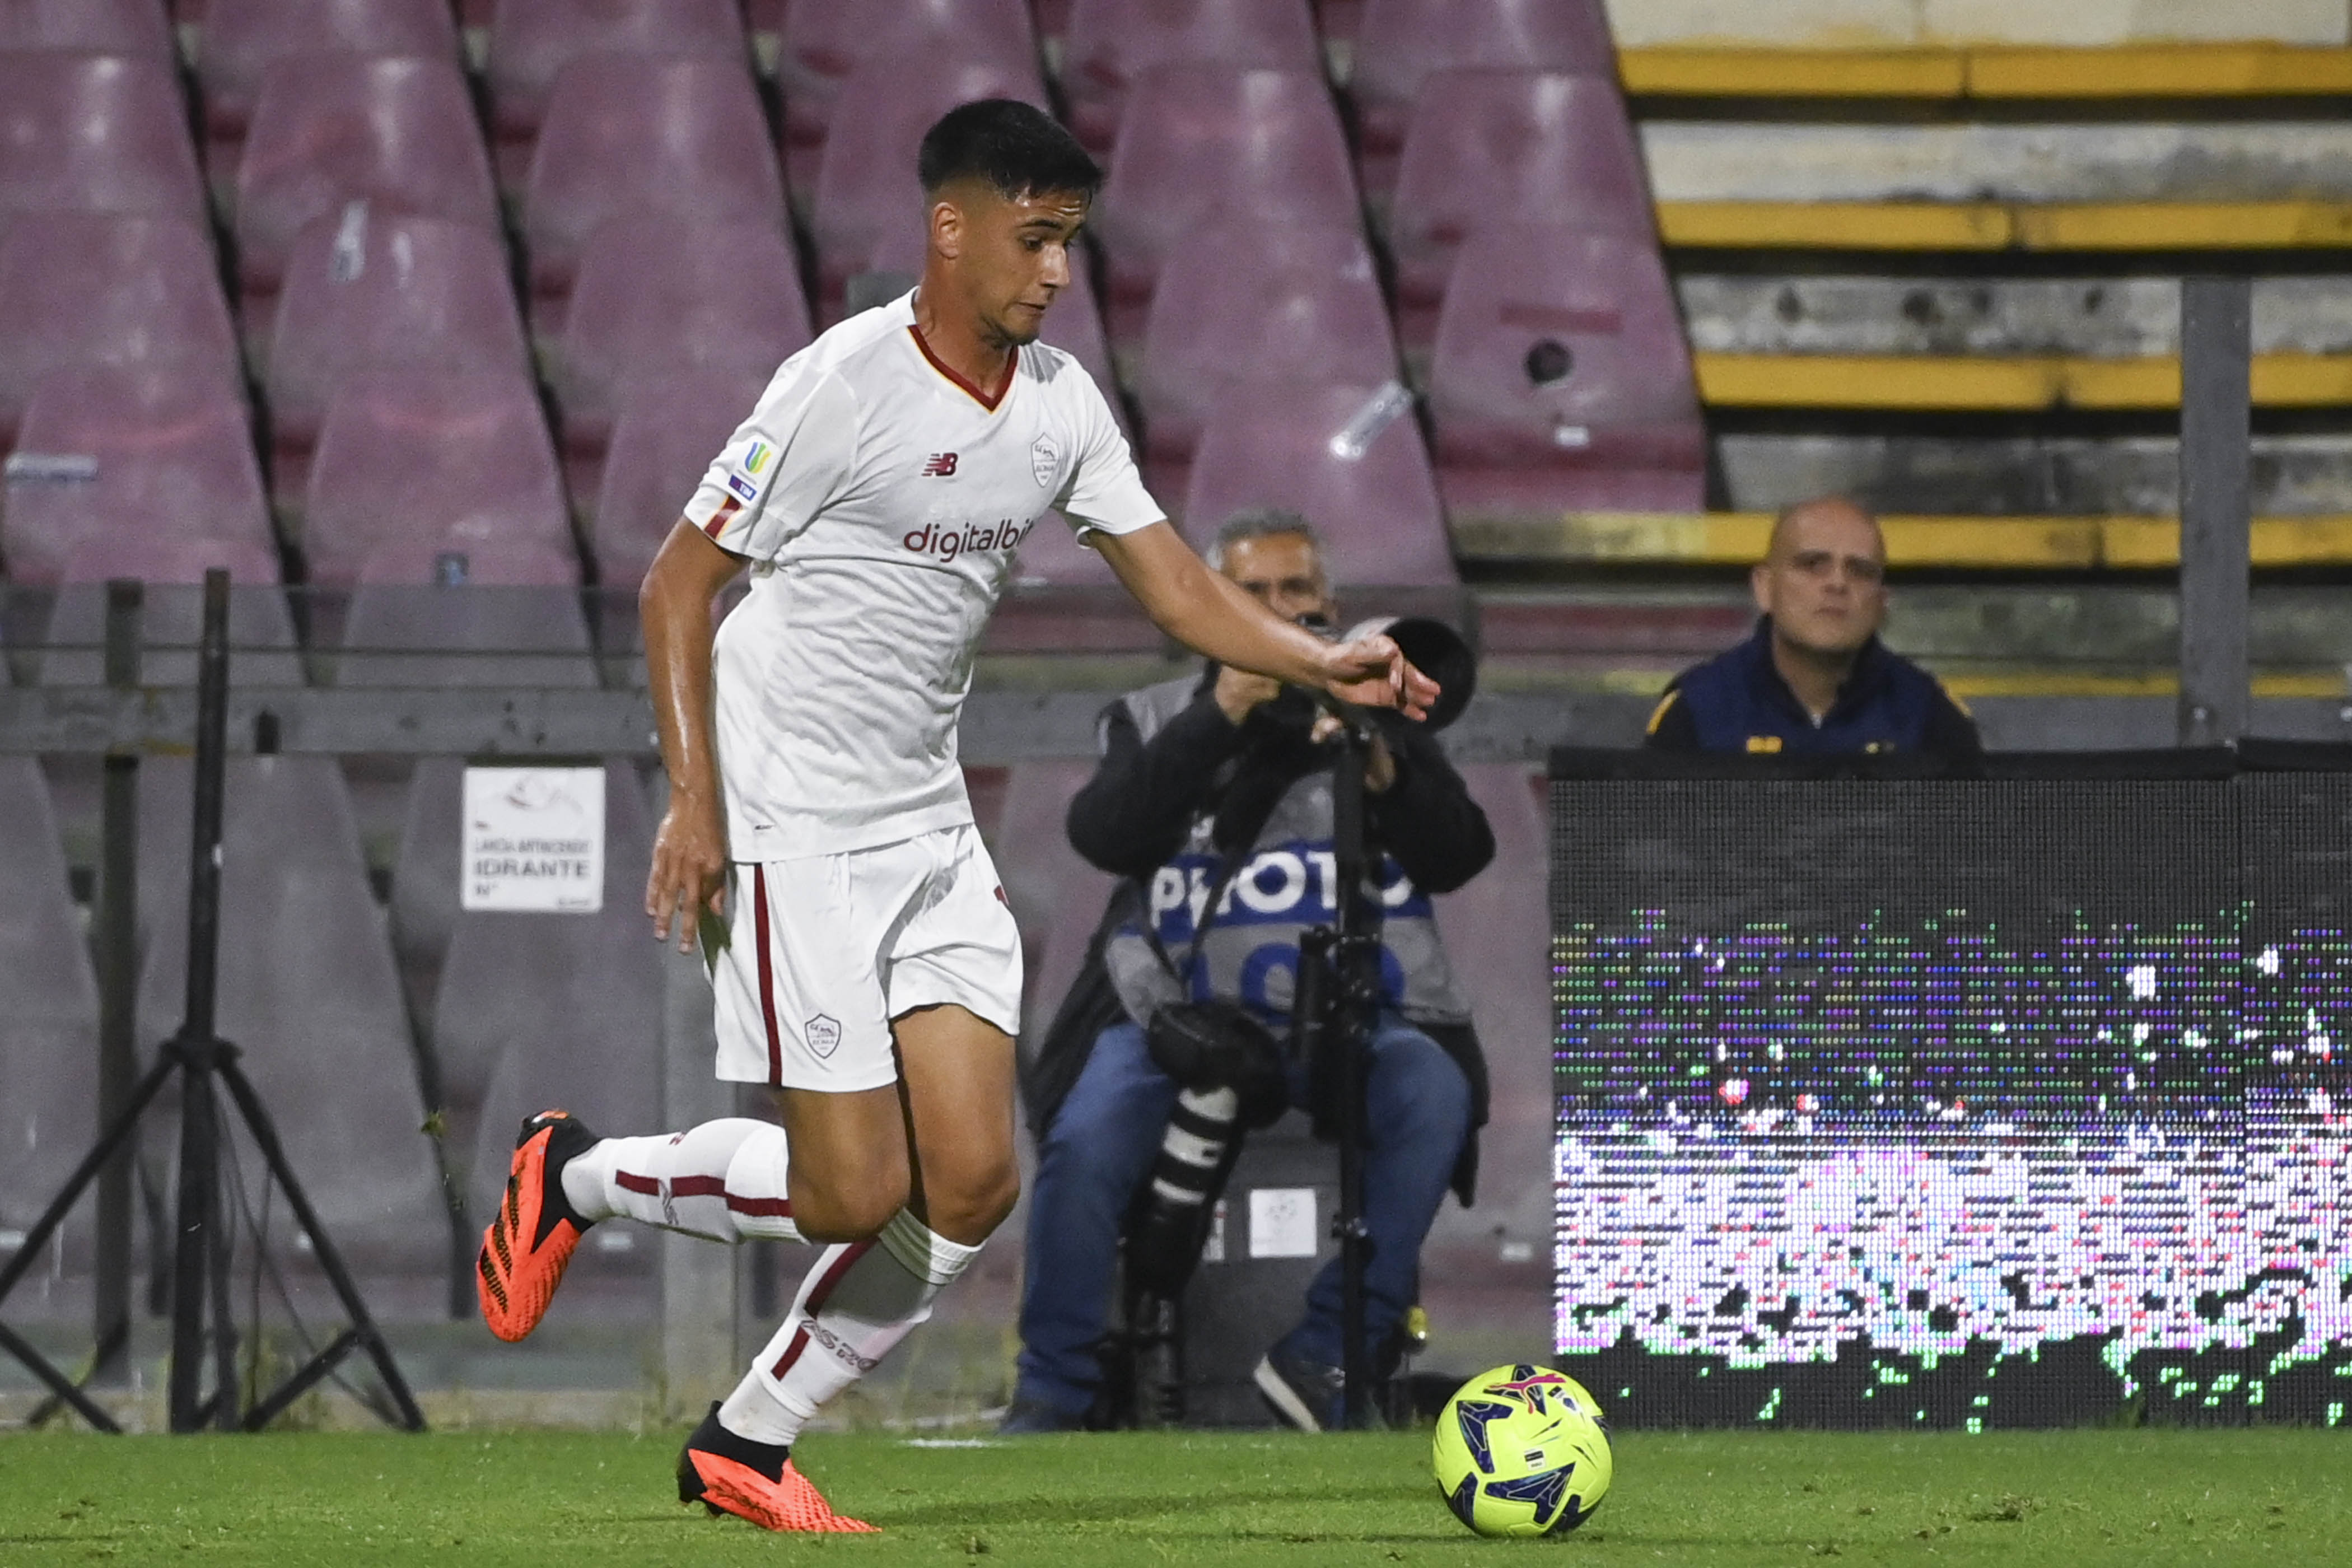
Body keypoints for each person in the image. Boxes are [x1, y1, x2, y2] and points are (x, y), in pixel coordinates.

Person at [469, 103, 1438, 1533]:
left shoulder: (1056, 404)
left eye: (1071, 244)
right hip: (791, 818)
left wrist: (1325, 660)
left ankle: (750, 1436)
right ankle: (582, 1174)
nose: (1056, 273)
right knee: (852, 1191)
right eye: (1036, 239)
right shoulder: (841, 383)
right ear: (953, 227)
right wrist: (696, 801)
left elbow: (1172, 582)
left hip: (925, 821)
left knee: (974, 1182)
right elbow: (678, 584)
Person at [1005, 511, 1492, 1435]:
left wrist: (1388, 769)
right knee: (1086, 1134)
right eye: (1249, 595)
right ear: (1204, 606)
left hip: (1354, 1018)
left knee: (1432, 1092)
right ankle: (1055, 1393)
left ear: (1331, 607)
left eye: (1296, 594)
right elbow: (1107, 836)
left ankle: (1327, 1357)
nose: (1277, 612)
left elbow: (1461, 856)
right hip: (1182, 1026)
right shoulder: (1156, 714)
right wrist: (1222, 707)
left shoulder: (1378, 703)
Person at [1644, 496, 1981, 759]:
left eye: (1860, 570)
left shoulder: (1931, 716)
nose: (1837, 583)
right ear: (1764, 588)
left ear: (1882, 602)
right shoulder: (1697, 711)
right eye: (1812, 565)